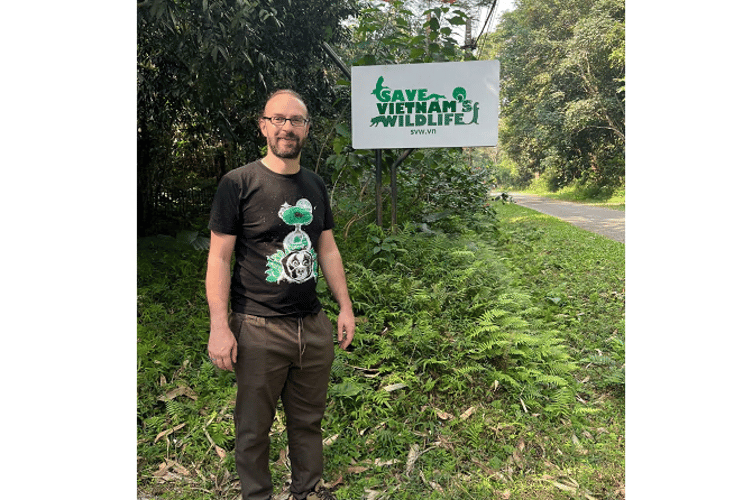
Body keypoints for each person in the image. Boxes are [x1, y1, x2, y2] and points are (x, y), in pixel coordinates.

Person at [205, 89, 355, 500]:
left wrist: (344, 306)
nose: (287, 127)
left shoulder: (315, 184)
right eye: (279, 119)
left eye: (297, 120)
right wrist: (220, 325)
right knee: (253, 428)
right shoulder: (239, 183)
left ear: (307, 129)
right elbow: (219, 258)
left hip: (312, 325)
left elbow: (326, 247)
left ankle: (306, 492)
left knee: (307, 422)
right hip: (258, 327)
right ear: (263, 125)